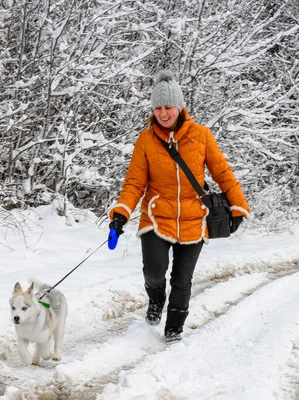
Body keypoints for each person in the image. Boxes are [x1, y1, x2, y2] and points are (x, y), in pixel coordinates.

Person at [108, 70, 250, 343]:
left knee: (182, 280)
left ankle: (174, 328)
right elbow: (134, 183)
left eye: (168, 107)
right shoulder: (146, 140)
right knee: (153, 271)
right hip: (155, 217)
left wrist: (238, 206)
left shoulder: (201, 136)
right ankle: (156, 299)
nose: (163, 114)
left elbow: (223, 173)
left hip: (193, 218)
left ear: (179, 107)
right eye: (158, 108)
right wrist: (120, 214)